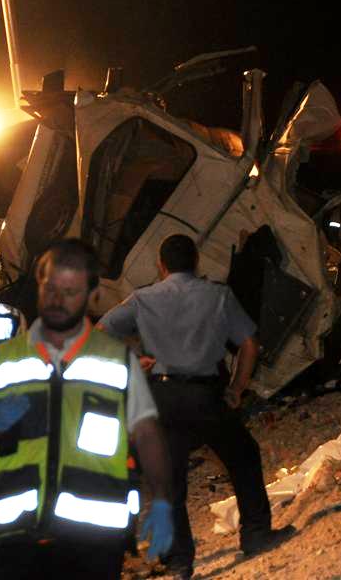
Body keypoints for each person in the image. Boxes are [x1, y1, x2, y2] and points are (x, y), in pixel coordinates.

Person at [0, 239, 173, 580]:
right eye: (50, 288)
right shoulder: (8, 358)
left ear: (92, 295)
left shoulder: (117, 361)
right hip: (16, 534)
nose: (58, 300)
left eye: (70, 291)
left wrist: (163, 502)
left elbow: (147, 434)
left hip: (93, 538)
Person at [97, 234, 292, 579]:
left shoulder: (143, 298)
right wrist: (236, 388)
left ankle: (179, 561)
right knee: (243, 457)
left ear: (161, 264)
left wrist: (131, 360)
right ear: (196, 261)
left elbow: (99, 333)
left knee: (168, 481)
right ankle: (256, 534)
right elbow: (250, 344)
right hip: (207, 396)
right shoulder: (218, 295)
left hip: (162, 399)